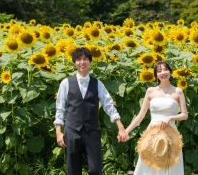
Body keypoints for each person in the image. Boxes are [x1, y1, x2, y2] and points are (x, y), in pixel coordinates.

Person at [54, 47, 129, 175]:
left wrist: (120, 126)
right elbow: (60, 108)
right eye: (78, 59)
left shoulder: (98, 83)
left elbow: (108, 105)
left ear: (90, 62)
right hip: (72, 131)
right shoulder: (66, 83)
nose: (82, 62)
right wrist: (58, 132)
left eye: (85, 59)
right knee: (73, 170)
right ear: (74, 62)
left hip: (92, 131)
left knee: (95, 169)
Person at [125, 60, 188, 174]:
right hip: (152, 133)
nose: (163, 72)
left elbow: (184, 115)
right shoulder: (150, 91)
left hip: (171, 133)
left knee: (169, 165)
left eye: (165, 69)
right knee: (150, 164)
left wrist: (171, 118)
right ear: (156, 76)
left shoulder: (178, 91)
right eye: (159, 71)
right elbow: (140, 115)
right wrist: (126, 131)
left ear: (170, 72)